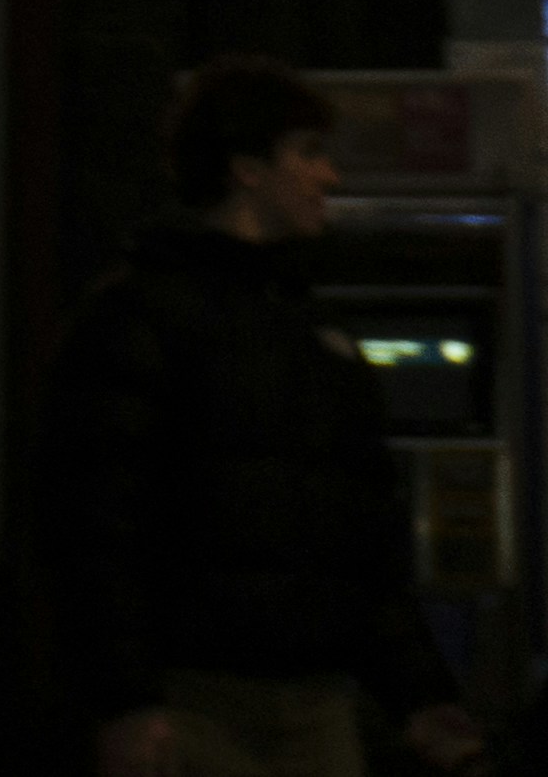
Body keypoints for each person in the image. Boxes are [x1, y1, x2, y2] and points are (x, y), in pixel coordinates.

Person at [43, 58, 484, 777]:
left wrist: (422, 694)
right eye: (308, 152)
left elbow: (359, 538)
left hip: (298, 701)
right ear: (246, 167)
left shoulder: (293, 329)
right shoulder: (158, 319)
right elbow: (94, 527)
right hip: (204, 704)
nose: (329, 177)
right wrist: (125, 699)